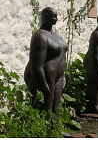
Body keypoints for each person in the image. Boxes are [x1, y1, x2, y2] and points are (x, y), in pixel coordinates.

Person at [24, 7, 70, 136]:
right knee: (46, 105)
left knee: (56, 104)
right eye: (53, 16)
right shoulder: (40, 36)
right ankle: (44, 132)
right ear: (46, 16)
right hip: (47, 74)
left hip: (58, 76)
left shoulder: (55, 35)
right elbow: (36, 66)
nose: (56, 19)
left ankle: (56, 128)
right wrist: (43, 86)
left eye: (56, 16)